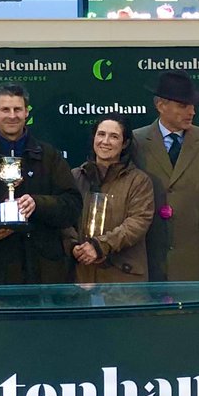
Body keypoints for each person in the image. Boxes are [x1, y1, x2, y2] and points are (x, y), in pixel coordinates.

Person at [0, 82, 80, 285]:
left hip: (44, 276)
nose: (12, 115)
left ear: (26, 112)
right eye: (5, 109)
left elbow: (72, 205)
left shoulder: (49, 157)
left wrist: (39, 204)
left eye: (18, 109)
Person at [133, 71, 199, 282]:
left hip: (197, 258)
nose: (191, 111)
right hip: (149, 258)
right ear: (161, 105)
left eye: (192, 105)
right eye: (183, 105)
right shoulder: (136, 142)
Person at [64, 113, 154, 283]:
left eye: (114, 136)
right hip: (80, 277)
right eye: (101, 134)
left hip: (122, 281)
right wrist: (74, 246)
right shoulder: (75, 177)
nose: (105, 141)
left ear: (125, 143)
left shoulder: (139, 181)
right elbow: (63, 218)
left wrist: (100, 246)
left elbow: (137, 223)